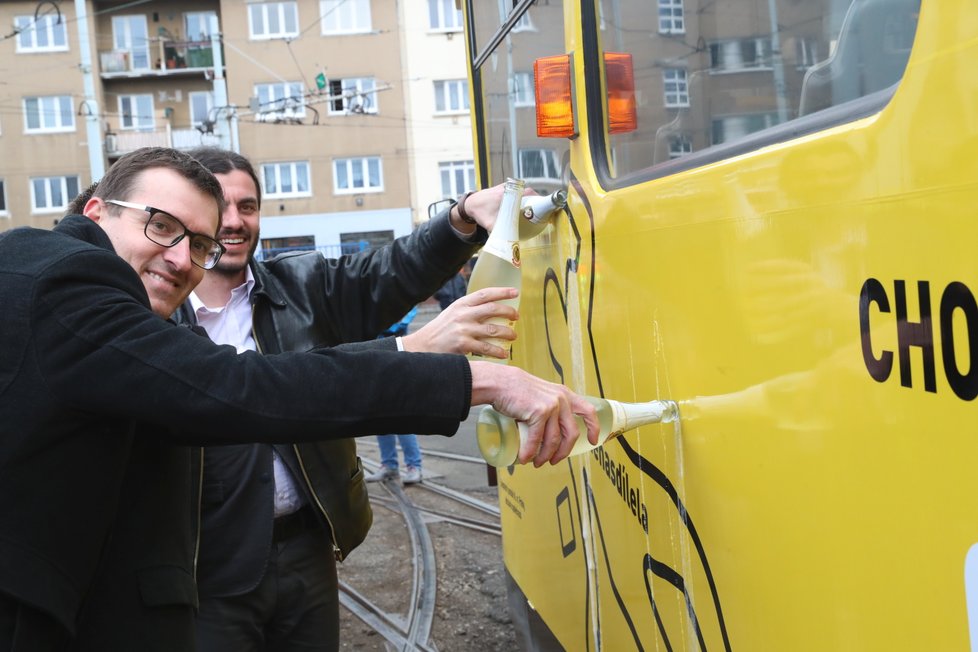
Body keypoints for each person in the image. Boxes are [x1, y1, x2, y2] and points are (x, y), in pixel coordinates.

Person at [0, 146, 599, 652]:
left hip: (294, 552)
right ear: (97, 210)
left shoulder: (291, 285)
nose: (183, 255)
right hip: (177, 577)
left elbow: (383, 276)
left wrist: (461, 220)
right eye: (160, 226)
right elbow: (237, 388)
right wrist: (474, 379)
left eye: (202, 240)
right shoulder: (74, 284)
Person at [173, 148, 529, 652]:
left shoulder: (303, 286)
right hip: (207, 566)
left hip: (306, 549)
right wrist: (417, 348)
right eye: (219, 206)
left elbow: (391, 269)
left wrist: (462, 218)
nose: (234, 221)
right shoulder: (156, 315)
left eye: (247, 206)